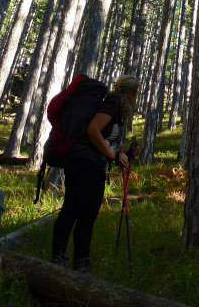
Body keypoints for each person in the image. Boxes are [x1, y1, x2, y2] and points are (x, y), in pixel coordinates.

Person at [50, 74, 139, 272]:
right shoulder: (113, 103)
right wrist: (113, 156)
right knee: (73, 208)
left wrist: (121, 153)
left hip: (93, 164)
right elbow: (93, 130)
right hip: (83, 162)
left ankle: (80, 261)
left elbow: (106, 139)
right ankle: (60, 258)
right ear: (131, 93)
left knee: (88, 214)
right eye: (136, 93)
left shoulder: (116, 108)